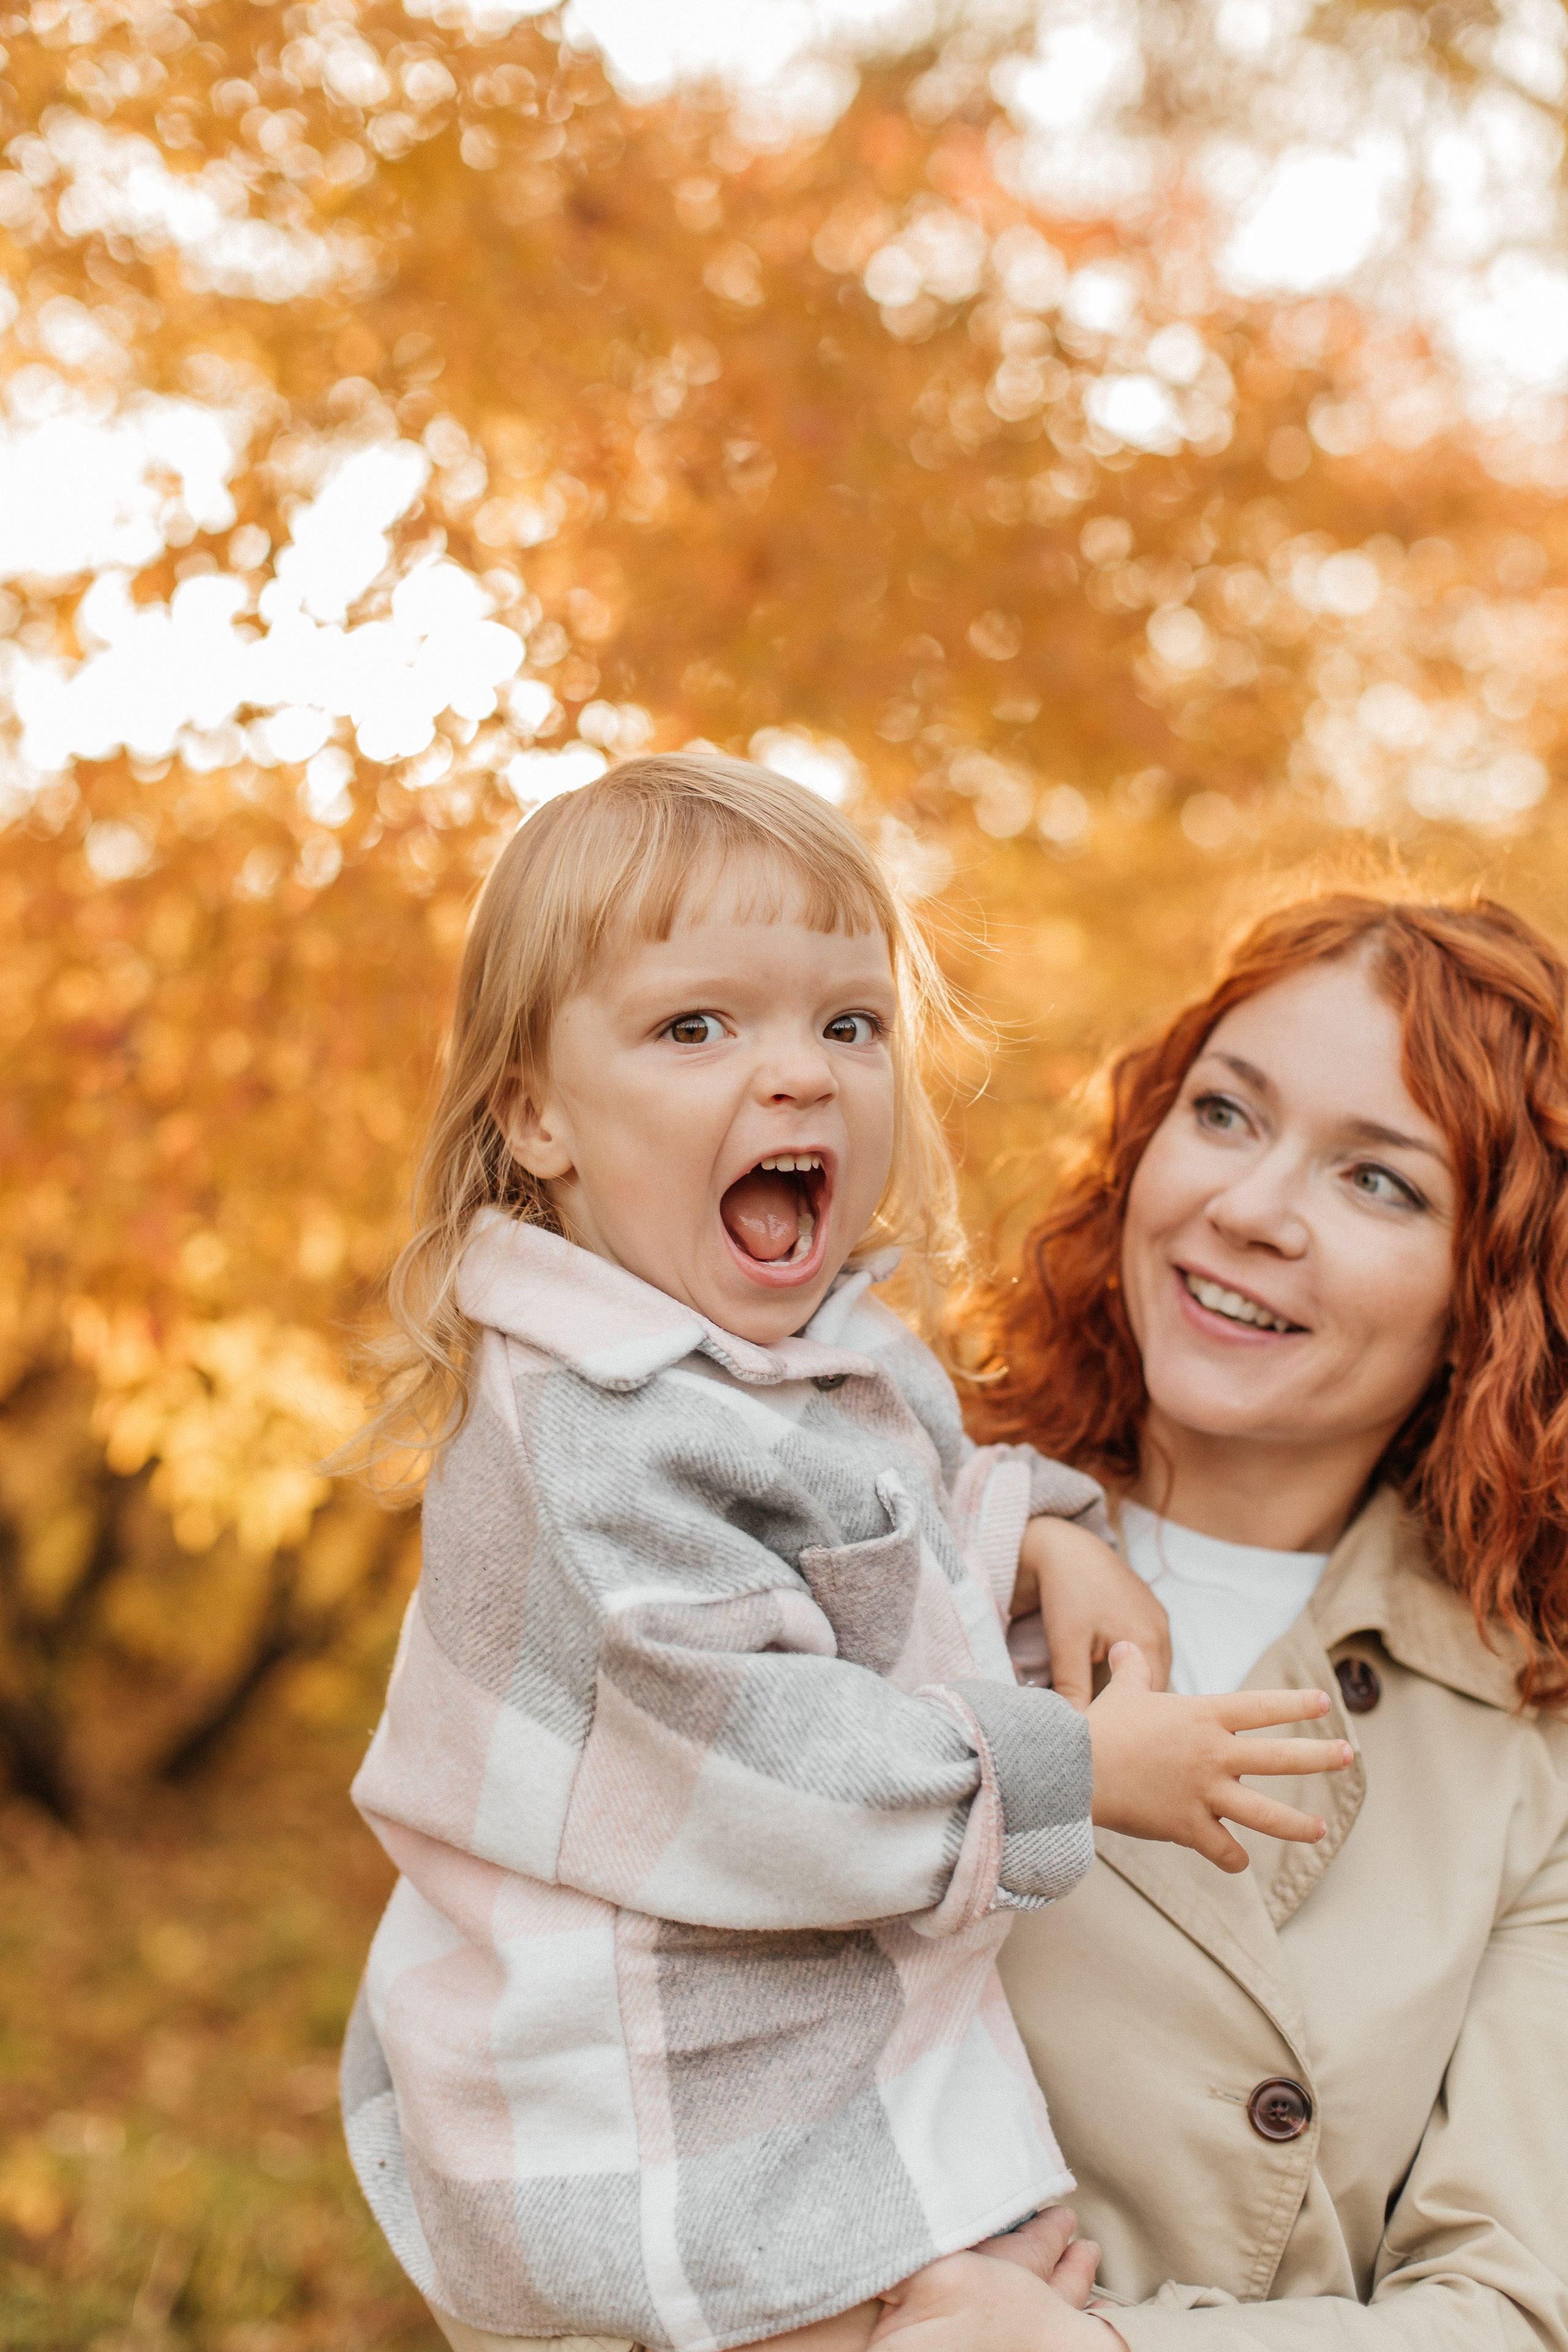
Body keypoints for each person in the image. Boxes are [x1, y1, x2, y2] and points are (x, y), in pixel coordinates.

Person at [336, 756, 1348, 2352]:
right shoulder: (587, 1435)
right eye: (696, 1027)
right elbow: (765, 1760)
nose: (800, 1075)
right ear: (536, 1113)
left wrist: (1042, 1536)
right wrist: (1080, 1768)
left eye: (850, 1024)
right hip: (637, 2122)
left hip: (783, 2091)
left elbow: (883, 1537)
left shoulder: (800, 1355)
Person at [882, 891, 1568, 2351]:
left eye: (1375, 1181)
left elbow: (1508, 2310)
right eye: (1223, 1113)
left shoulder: (1527, 1746)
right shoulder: (874, 1528)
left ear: (1491, 1291)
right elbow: (533, 2032)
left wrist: (1091, 2349)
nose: (1249, 1209)